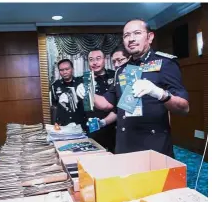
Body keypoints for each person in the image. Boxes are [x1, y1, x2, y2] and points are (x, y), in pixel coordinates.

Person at [77, 19, 189, 157]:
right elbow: (106, 104)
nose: (131, 39)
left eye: (137, 33)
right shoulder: (122, 69)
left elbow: (184, 108)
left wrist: (160, 93)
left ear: (150, 37)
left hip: (153, 145)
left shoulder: (165, 63)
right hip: (125, 144)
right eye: (126, 35)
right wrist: (88, 92)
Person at [84, 49, 117, 152]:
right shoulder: (85, 79)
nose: (94, 62)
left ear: (105, 60)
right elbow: (86, 107)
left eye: (98, 59)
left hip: (115, 126)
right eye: (91, 59)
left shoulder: (115, 75)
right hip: (94, 129)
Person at [51, 59, 86, 129]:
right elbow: (55, 105)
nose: (64, 72)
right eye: (61, 70)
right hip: (63, 123)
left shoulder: (81, 82)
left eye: (67, 69)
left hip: (80, 122)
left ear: (72, 69)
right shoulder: (55, 85)